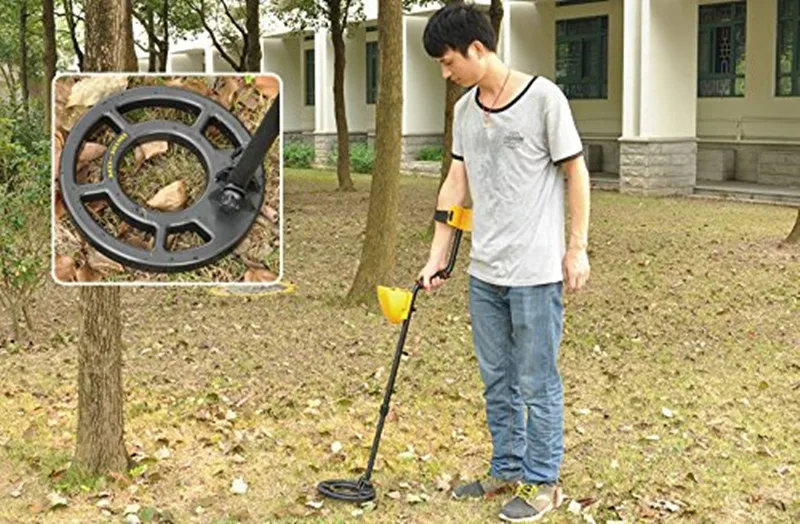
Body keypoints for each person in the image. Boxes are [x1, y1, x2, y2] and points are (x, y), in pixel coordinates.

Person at [419, 2, 591, 522]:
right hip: (485, 273)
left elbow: (576, 174)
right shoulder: (464, 111)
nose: (445, 73)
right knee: (497, 378)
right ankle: (507, 467)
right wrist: (437, 256)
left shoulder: (544, 99)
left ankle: (543, 482)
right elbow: (455, 183)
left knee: (537, 380)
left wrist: (576, 247)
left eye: (448, 62)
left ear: (477, 48)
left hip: (535, 273)